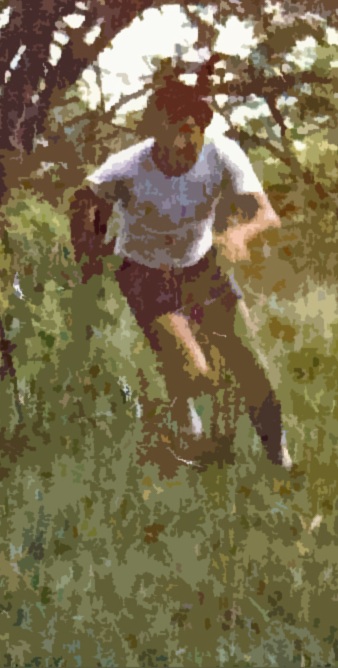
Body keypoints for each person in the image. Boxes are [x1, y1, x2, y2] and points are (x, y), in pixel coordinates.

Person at [70, 77, 291, 470]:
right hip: (145, 272)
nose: (182, 145)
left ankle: (280, 462)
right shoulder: (128, 167)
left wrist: (240, 233)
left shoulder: (221, 153)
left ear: (202, 130)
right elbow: (84, 199)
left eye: (191, 132)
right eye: (172, 132)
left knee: (248, 362)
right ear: (156, 131)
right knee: (197, 373)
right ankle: (181, 432)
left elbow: (266, 214)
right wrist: (89, 246)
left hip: (202, 264)